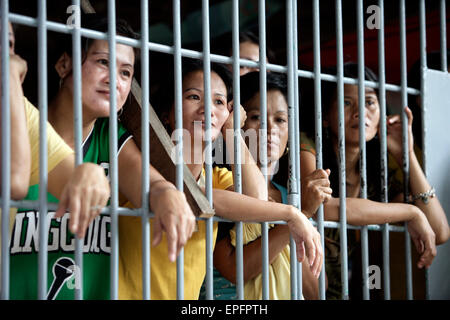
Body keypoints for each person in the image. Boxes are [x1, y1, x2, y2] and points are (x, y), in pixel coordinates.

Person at [9, 15, 196, 300]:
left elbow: (149, 185)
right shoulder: (21, 125)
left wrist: (167, 193)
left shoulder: (110, 138)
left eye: (125, 73)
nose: (115, 80)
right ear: (64, 65)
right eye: (103, 62)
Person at [118, 58, 323, 300]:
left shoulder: (216, 176)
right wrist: (290, 213)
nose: (208, 108)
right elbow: (198, 196)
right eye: (194, 97)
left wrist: (232, 130)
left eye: (218, 101)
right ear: (166, 113)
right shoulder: (141, 166)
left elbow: (256, 196)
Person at [300, 62, 449, 299]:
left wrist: (406, 155)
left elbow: (439, 231)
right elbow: (321, 207)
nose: (360, 112)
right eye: (347, 103)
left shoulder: (375, 169)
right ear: (325, 115)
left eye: (369, 102)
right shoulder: (307, 145)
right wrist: (411, 212)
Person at [210, 71, 331, 300]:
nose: (270, 129)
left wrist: (300, 211)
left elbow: (315, 291)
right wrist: (300, 214)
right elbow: (236, 270)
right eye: (256, 117)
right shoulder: (220, 184)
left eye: (280, 119)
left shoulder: (291, 195)